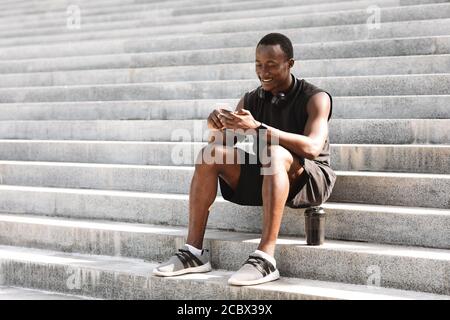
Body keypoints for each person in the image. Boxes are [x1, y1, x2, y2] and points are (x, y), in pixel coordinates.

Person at [153, 33, 336, 286]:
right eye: (258, 64)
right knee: (209, 155)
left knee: (273, 153)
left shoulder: (316, 97)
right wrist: (215, 125)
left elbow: (314, 148)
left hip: (309, 179)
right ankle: (193, 253)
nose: (263, 71)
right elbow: (220, 146)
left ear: (290, 63)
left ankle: (265, 259)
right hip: (267, 174)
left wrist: (258, 128)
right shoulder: (251, 99)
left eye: (271, 64)